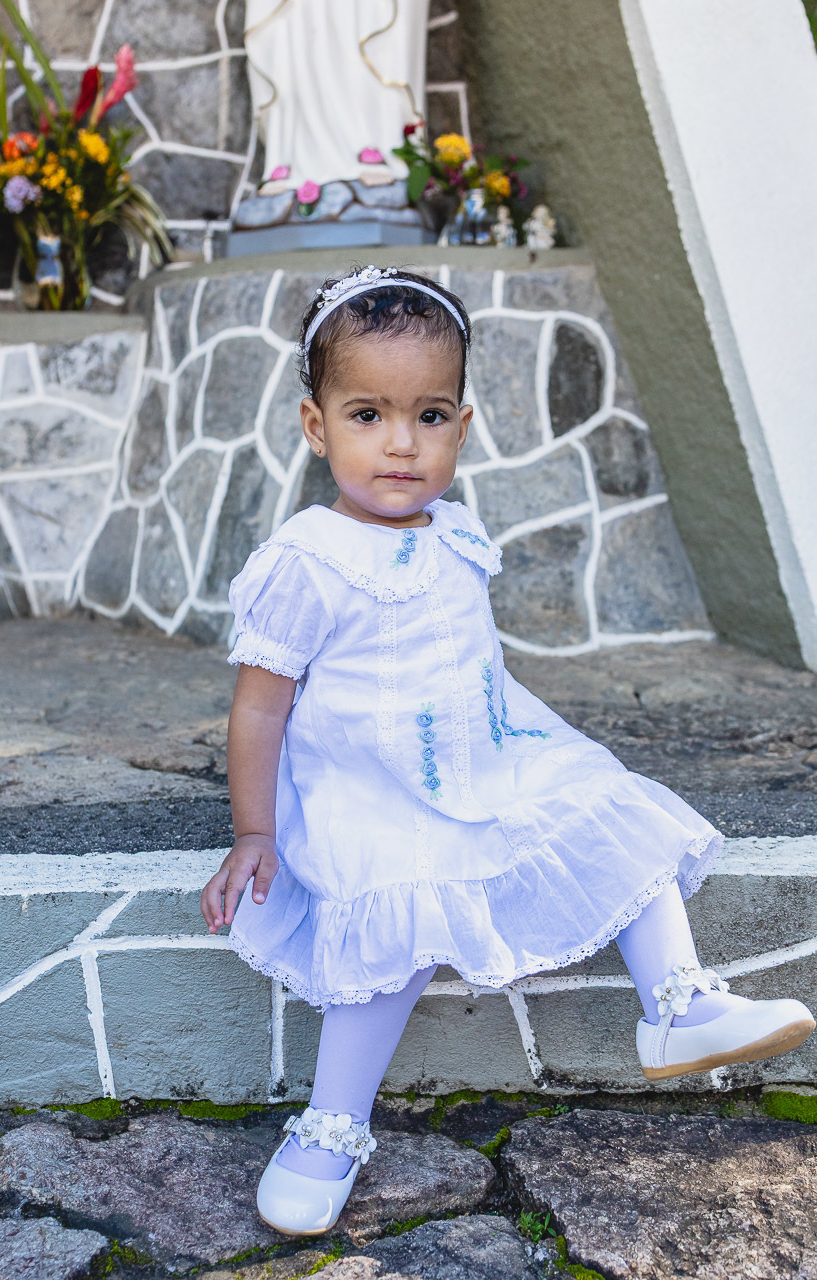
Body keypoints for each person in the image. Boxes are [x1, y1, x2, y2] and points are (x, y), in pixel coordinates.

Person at [200, 264, 815, 1237]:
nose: (401, 441)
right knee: (391, 916)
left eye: (429, 414)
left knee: (605, 802)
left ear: (463, 425)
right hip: (370, 786)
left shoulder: (456, 531)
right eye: (367, 413)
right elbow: (260, 709)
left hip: (487, 752)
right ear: (316, 426)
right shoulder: (307, 560)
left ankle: (677, 1000)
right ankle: (330, 1120)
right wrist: (251, 829)